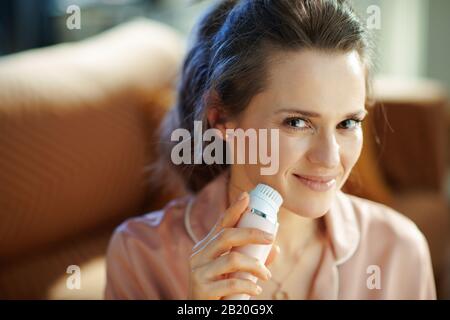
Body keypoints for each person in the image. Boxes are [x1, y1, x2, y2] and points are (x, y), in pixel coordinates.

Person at [104, 0, 436, 299]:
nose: (330, 158)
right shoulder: (141, 255)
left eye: (347, 123)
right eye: (297, 122)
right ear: (220, 118)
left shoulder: (399, 250)